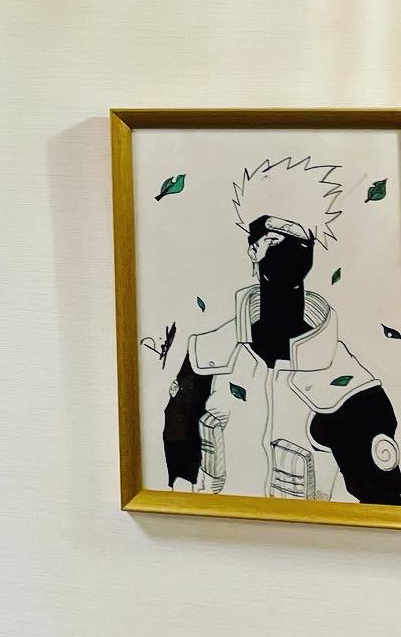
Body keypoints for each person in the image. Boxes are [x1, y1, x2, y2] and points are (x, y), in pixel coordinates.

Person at [163, 157, 401, 503]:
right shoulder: (205, 357)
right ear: (254, 248)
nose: (288, 247)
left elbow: (383, 506)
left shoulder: (353, 389)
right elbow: (176, 473)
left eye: (300, 238)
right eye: (275, 236)